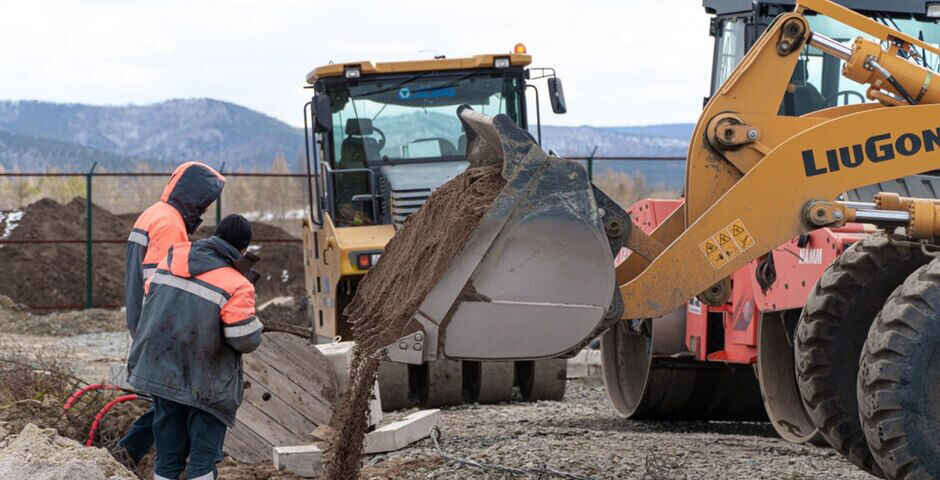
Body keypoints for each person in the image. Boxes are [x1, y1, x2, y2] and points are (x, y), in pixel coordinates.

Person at [127, 214, 263, 480]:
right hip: (206, 384)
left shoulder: (170, 261)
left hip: (161, 375)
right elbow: (244, 339)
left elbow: (153, 299)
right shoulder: (238, 284)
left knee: (167, 456)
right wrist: (255, 324)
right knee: (203, 458)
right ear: (243, 249)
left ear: (216, 236)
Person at [120, 161, 225, 464]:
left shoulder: (156, 213)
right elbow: (160, 284)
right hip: (158, 325)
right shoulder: (169, 224)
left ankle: (132, 452)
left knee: (168, 399)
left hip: (146, 319)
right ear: (192, 194)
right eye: (204, 200)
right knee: (171, 401)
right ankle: (136, 454)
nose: (205, 208)